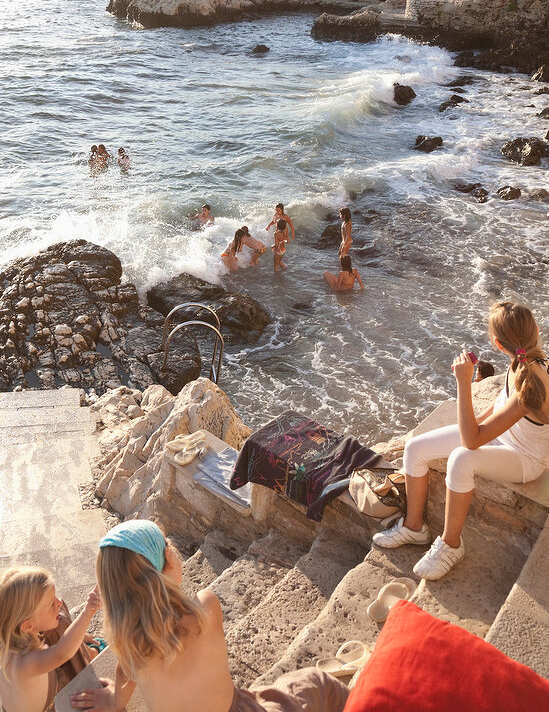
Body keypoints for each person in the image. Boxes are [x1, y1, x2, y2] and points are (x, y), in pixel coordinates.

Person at [70, 520, 349, 712]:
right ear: (168, 561)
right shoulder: (205, 607)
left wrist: (112, 702)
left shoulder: (129, 648)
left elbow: (123, 682)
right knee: (315, 681)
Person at [372, 301, 549, 580]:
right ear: (535, 331)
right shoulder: (522, 361)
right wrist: (476, 420)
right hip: (500, 437)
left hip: (525, 459)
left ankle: (451, 544)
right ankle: (414, 527)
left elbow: (471, 441)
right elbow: (499, 406)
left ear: (497, 344)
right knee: (416, 447)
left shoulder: (533, 382)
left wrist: (463, 383)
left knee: (460, 460)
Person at [0, 566, 102, 712]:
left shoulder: (12, 637)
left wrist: (79, 635)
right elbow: (63, 652)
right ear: (28, 626)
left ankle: (84, 647)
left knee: (59, 621)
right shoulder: (25, 663)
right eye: (51, 604)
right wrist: (88, 612)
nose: (59, 603)